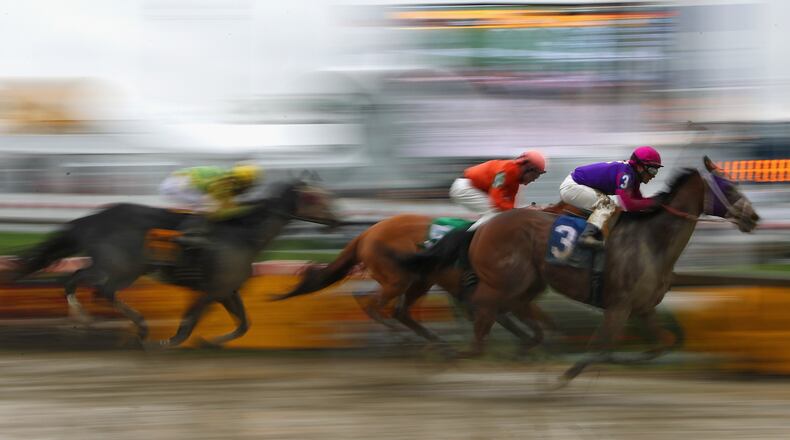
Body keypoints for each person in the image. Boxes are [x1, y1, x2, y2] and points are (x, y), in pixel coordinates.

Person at [560, 146, 662, 249]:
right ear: (640, 166)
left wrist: (657, 204)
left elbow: (638, 202)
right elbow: (628, 204)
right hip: (572, 186)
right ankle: (586, 236)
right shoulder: (625, 174)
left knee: (610, 205)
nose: (653, 175)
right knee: (608, 206)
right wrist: (654, 202)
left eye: (656, 171)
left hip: (579, 185)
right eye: (653, 170)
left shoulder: (632, 176)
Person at [159, 162, 263, 247]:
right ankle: (189, 234)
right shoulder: (223, 183)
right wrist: (247, 209)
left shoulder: (229, 180)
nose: (247, 190)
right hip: (177, 184)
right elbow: (217, 214)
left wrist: (241, 208)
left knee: (208, 205)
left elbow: (229, 205)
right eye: (249, 186)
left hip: (181, 181)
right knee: (207, 208)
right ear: (243, 182)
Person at [450, 150, 547, 230]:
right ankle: (466, 242)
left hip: (471, 187)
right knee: (495, 215)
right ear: (528, 169)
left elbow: (510, 208)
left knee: (499, 215)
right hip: (463, 188)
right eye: (536, 175)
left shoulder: (515, 181)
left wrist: (520, 211)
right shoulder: (505, 170)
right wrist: (522, 211)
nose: (534, 179)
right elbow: (497, 200)